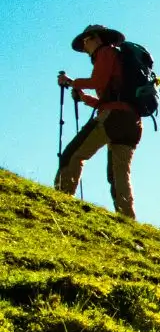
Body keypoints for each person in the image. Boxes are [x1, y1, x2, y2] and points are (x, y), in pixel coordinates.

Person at [55, 24, 143, 219]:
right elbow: (108, 100)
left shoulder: (105, 52)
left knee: (72, 155)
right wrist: (84, 97)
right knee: (118, 173)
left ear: (96, 38)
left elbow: (98, 82)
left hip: (113, 117)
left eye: (86, 41)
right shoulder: (120, 60)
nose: (85, 46)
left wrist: (72, 82)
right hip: (132, 122)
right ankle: (127, 218)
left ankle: (60, 201)